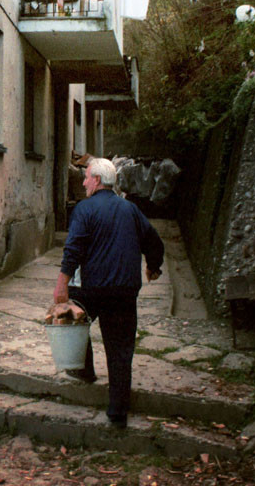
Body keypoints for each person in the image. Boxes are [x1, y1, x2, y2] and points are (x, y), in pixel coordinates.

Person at [52, 157, 164, 428]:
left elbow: (74, 247)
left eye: (87, 177)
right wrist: (153, 266)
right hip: (124, 290)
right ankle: (117, 413)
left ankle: (84, 369)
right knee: (120, 350)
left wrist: (62, 283)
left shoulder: (84, 209)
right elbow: (153, 240)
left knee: (73, 319)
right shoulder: (131, 209)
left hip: (93, 288)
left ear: (98, 181)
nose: (83, 181)